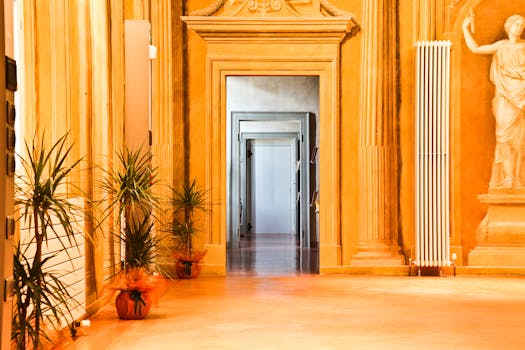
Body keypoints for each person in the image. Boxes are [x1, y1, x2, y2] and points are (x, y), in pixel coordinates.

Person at [463, 12, 525, 189]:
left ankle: (519, 178)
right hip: (505, 98)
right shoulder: (501, 46)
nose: (519, 28)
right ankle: (508, 177)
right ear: (508, 26)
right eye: (516, 24)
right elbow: (475, 49)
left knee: (520, 141)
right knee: (504, 137)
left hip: (522, 98)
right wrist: (464, 28)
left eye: (521, 25)